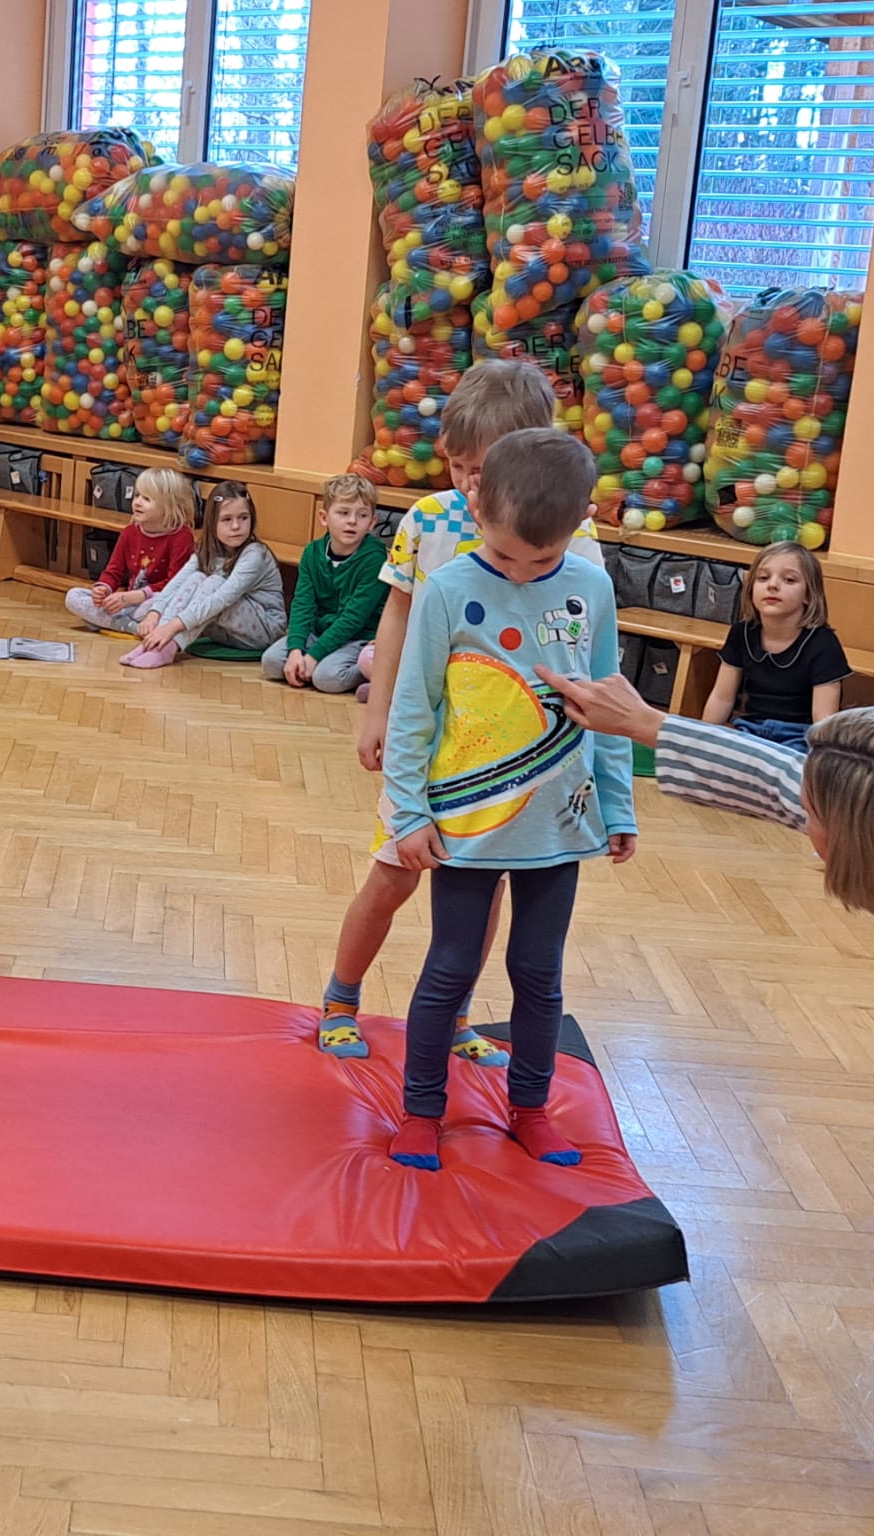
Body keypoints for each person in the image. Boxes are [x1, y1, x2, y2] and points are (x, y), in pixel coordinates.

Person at [546, 670, 874, 1487]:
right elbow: (783, 781)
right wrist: (647, 724)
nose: (802, 822)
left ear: (867, 853)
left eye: (815, 821)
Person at [319, 359, 607, 1063]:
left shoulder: (568, 534)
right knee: (392, 874)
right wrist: (379, 713)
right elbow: (397, 614)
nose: (470, 485)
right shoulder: (428, 521)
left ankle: (454, 1015)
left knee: (485, 889)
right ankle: (340, 997)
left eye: (484, 471)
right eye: (459, 468)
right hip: (430, 744)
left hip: (508, 760)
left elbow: (586, 639)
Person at [381, 428, 636, 1171]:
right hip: (466, 824)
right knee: (450, 969)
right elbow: (414, 707)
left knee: (538, 972)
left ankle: (529, 1107)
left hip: (559, 824)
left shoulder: (591, 588)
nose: (522, 573)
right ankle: (422, 1109)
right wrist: (408, 812)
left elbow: (609, 705)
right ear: (477, 506)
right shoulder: (447, 589)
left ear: (581, 523)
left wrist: (619, 805)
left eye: (542, 560)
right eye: (505, 555)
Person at [121, 480, 286, 668]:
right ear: (212, 522)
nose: (236, 526)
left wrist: (172, 627)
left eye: (243, 518)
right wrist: (155, 613)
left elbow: (222, 598)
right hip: (226, 632)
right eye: (227, 519)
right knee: (196, 578)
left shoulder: (255, 554)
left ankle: (167, 647)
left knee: (214, 582)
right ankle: (154, 644)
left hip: (264, 632)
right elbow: (177, 583)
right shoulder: (206, 550)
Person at [701, 541, 848, 749]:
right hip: (749, 729)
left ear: (809, 594)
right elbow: (721, 698)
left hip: (800, 736)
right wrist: (704, 741)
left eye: (789, 580)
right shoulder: (741, 632)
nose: (772, 585)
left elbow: (823, 719)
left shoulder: (823, 644)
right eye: (763, 578)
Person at [262, 472, 386, 694]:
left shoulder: (374, 559)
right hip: (320, 632)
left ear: (372, 522)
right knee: (271, 662)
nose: (352, 521)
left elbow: (353, 618)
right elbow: (302, 604)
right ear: (324, 517)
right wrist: (295, 651)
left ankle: (376, 673)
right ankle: (312, 663)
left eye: (362, 515)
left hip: (358, 637)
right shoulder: (312, 552)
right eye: (343, 513)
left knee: (327, 679)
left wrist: (313, 656)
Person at [62, 468, 194, 633]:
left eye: (147, 498)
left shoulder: (181, 536)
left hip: (157, 601)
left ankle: (108, 621)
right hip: (129, 602)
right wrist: (103, 589)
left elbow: (175, 584)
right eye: (137, 495)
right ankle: (131, 626)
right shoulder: (130, 532)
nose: (137, 502)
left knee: (163, 605)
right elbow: (113, 571)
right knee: (73, 596)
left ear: (169, 505)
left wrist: (137, 596)